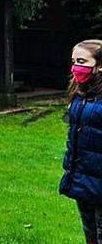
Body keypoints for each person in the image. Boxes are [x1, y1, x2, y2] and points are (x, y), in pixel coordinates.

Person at [60, 39, 102, 244]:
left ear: (99, 65)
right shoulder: (80, 94)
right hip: (82, 178)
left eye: (82, 61)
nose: (76, 67)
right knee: (90, 235)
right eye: (74, 61)